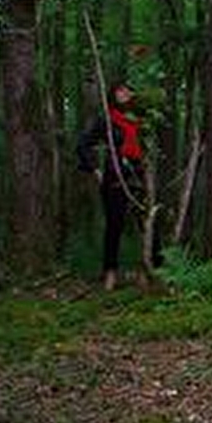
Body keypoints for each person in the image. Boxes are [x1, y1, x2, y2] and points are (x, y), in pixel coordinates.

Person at [76, 83, 145, 290]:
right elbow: (83, 144)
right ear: (113, 95)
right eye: (120, 90)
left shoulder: (141, 119)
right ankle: (110, 273)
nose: (125, 93)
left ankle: (149, 271)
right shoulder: (106, 119)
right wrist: (95, 169)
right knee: (115, 225)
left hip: (138, 176)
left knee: (147, 223)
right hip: (114, 175)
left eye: (128, 90)